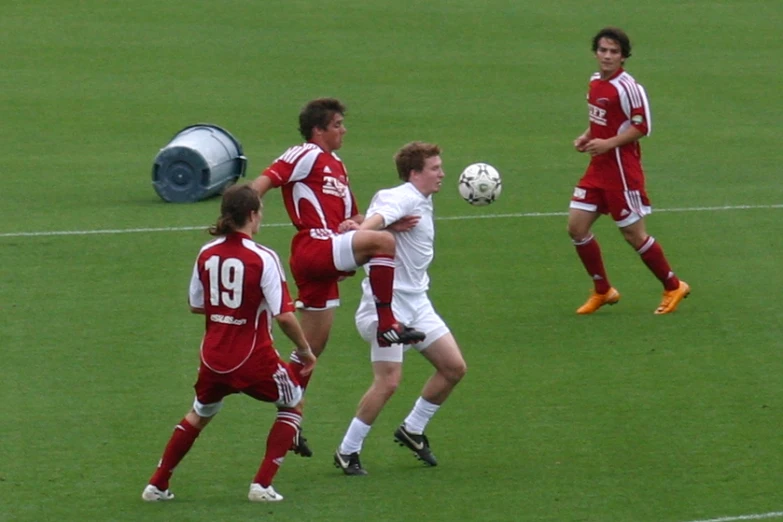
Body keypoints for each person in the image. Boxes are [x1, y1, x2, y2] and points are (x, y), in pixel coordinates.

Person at [141, 184, 316, 503]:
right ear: (252, 215)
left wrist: (228, 309)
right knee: (293, 402)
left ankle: (157, 484)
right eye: (260, 211)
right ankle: (262, 485)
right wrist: (305, 351)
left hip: (213, 357)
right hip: (253, 358)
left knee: (199, 413)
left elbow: (196, 303)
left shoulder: (206, 253)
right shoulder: (263, 257)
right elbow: (285, 317)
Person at [249, 98, 425, 406]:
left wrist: (388, 223)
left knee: (310, 350)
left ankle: (288, 415)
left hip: (330, 254)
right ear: (318, 130)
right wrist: (244, 222)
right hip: (314, 246)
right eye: (337, 125)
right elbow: (264, 182)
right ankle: (387, 324)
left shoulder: (338, 167)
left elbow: (356, 220)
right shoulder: (305, 153)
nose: (343, 131)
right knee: (383, 244)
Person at [333, 141, 467, 475]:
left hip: (417, 302)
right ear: (415, 173)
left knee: (453, 368)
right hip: (386, 305)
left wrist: (371, 224)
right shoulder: (403, 197)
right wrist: (367, 228)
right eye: (435, 168)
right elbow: (369, 230)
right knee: (388, 381)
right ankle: (347, 451)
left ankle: (413, 429)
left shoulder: (418, 198)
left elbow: (376, 217)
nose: (442, 174)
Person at [569, 27, 690, 315]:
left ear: (623, 56)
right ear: (595, 52)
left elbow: (641, 126)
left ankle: (673, 285)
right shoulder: (595, 81)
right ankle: (603, 290)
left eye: (613, 52)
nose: (607, 56)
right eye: (602, 50)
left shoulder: (629, 88)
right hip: (598, 168)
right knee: (576, 227)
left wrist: (608, 143)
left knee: (634, 236)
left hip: (623, 173)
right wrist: (587, 136)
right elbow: (604, 119)